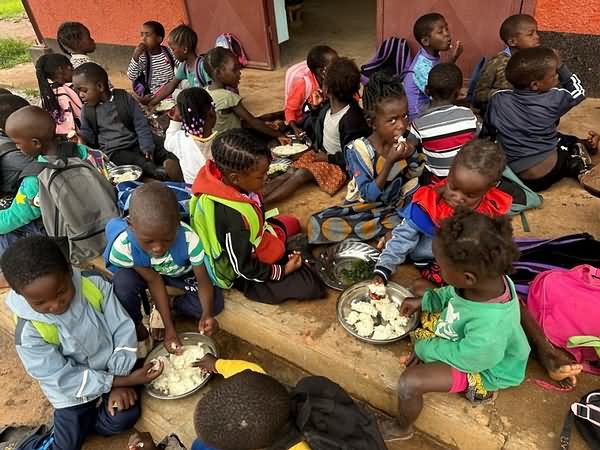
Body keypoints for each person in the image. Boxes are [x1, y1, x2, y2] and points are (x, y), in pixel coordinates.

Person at [380, 209, 530, 441]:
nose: (437, 269)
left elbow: (468, 358)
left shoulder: (490, 325)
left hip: (482, 367)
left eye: (441, 267)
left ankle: (402, 428)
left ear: (468, 277)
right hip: (468, 339)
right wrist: (424, 302)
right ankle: (431, 321)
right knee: (420, 287)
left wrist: (425, 347)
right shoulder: (484, 281)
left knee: (411, 382)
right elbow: (452, 292)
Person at [1, 236, 163, 450]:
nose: (56, 305)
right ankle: (35, 442)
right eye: (40, 303)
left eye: (61, 292)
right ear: (22, 296)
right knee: (67, 445)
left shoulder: (93, 284)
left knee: (124, 417)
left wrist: (120, 377)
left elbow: (122, 329)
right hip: (72, 392)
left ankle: (89, 424)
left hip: (113, 369)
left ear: (69, 270)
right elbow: (62, 378)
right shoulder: (29, 332)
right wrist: (118, 382)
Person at [190, 129, 325, 304]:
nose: (266, 179)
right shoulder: (232, 218)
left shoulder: (231, 181)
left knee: (291, 223)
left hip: (256, 239)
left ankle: (284, 252)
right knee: (311, 285)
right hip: (246, 272)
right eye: (261, 176)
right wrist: (283, 270)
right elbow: (243, 267)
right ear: (235, 178)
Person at [373, 139, 511, 285]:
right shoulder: (428, 204)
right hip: (428, 258)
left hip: (460, 266)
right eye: (453, 187)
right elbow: (404, 237)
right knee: (399, 239)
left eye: (469, 195)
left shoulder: (489, 212)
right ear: (449, 173)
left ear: (488, 189)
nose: (458, 198)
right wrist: (384, 268)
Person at [107, 183, 223, 353]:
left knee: (215, 303)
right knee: (122, 283)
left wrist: (207, 314)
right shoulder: (124, 247)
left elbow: (203, 281)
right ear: (131, 226)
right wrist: (170, 329)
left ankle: (168, 303)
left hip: (179, 273)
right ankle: (137, 326)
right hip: (149, 274)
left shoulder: (189, 239)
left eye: (167, 240)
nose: (158, 248)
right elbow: (153, 279)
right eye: (149, 241)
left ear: (177, 225)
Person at [307, 73, 419, 245]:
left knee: (420, 208)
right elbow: (369, 195)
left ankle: (391, 232)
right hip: (368, 208)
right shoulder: (359, 150)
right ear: (372, 122)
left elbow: (415, 175)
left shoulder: (408, 139)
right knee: (317, 223)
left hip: (398, 205)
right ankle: (390, 233)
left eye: (405, 116)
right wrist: (389, 162)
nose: (402, 125)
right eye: (392, 120)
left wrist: (412, 154)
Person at [486, 47, 591, 191]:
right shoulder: (553, 99)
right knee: (569, 145)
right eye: (554, 74)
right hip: (544, 175)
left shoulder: (498, 98)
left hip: (513, 175)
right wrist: (561, 65)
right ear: (535, 85)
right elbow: (578, 92)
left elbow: (490, 130)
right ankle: (578, 165)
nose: (557, 76)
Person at [73, 62, 182, 181]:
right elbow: (88, 135)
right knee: (135, 161)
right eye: (78, 92)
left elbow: (140, 123)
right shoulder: (87, 111)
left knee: (163, 146)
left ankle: (177, 167)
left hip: (136, 139)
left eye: (84, 91)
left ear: (100, 87)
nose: (80, 95)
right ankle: (158, 172)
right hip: (116, 151)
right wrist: (81, 138)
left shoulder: (123, 97)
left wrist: (147, 146)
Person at [408, 62, 478, 183]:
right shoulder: (468, 115)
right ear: (458, 93)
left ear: (427, 90)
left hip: (438, 183)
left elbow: (409, 146)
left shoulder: (418, 124)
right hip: (468, 181)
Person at [203, 47, 289, 143]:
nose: (239, 73)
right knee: (280, 127)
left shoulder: (205, 92)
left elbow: (233, 122)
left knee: (267, 118)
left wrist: (264, 123)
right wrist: (279, 135)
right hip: (235, 142)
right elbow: (253, 122)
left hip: (221, 142)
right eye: (234, 70)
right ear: (218, 72)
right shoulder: (228, 97)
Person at [0, 96, 44, 256]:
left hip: (22, 211)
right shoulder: (79, 150)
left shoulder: (33, 176)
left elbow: (18, 214)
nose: (18, 147)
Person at [403, 13, 463, 121]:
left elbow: (440, 76)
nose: (447, 34)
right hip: (419, 116)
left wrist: (453, 59)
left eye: (446, 29)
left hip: (431, 105)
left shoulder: (431, 56)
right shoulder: (421, 67)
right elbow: (440, 96)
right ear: (426, 41)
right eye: (440, 32)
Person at [473, 14, 540, 110]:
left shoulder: (535, 61)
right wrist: (503, 95)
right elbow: (479, 94)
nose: (537, 37)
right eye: (530, 34)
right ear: (512, 42)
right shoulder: (498, 62)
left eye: (536, 32)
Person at [164, 87, 217, 184]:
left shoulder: (179, 140)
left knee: (169, 163)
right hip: (219, 190)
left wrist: (175, 120)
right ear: (212, 113)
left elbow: (168, 143)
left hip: (193, 190)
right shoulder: (224, 142)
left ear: (181, 116)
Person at [284, 45, 338, 138]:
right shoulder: (303, 84)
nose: (339, 67)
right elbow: (290, 110)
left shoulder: (335, 79)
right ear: (322, 71)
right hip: (306, 122)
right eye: (335, 65)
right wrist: (295, 128)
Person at [148, 25, 206, 108]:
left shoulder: (202, 66)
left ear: (185, 50)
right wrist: (152, 103)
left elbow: (214, 89)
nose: (172, 53)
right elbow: (170, 86)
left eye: (173, 49)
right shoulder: (184, 66)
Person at [127, 21, 176, 101]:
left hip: (172, 89)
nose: (143, 38)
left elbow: (182, 67)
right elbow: (131, 76)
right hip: (155, 94)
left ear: (159, 39)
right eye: (142, 35)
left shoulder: (169, 52)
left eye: (147, 35)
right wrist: (135, 56)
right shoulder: (143, 57)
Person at [35, 53, 82, 138]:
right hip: (79, 137)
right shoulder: (69, 90)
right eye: (71, 67)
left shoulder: (45, 94)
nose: (73, 70)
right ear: (60, 69)